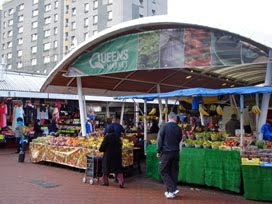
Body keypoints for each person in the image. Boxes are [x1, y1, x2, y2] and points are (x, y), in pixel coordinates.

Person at [157, 112, 182, 199]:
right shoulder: (179, 128)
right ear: (175, 118)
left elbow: (160, 139)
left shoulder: (164, 127)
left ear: (169, 118)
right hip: (176, 152)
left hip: (166, 152)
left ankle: (172, 188)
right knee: (173, 172)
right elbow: (179, 139)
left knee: (162, 170)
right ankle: (171, 192)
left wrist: (158, 150)